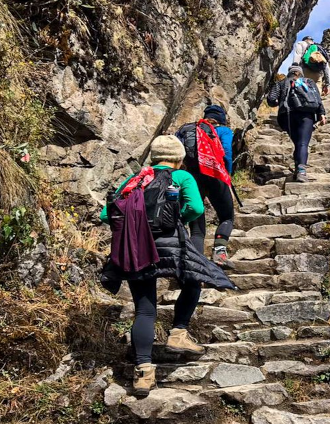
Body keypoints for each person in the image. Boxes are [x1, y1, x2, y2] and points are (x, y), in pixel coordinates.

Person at [100, 135, 235, 396]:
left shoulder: (135, 179)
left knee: (145, 311)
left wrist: (135, 225)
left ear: (153, 156)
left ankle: (144, 373)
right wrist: (174, 220)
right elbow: (196, 208)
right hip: (172, 246)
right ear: (179, 158)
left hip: (136, 248)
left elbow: (107, 214)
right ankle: (178, 331)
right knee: (194, 278)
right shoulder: (183, 177)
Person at [176, 105, 235, 267]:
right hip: (215, 175)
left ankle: (196, 263)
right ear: (221, 119)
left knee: (196, 225)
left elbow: (176, 153)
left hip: (192, 178)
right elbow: (227, 152)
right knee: (227, 216)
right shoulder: (223, 131)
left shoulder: (187, 129)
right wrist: (227, 174)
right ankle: (219, 252)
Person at [267, 65, 326, 183]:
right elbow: (317, 98)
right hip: (306, 115)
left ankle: (297, 170)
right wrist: (322, 113)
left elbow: (271, 100)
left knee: (298, 143)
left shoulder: (281, 83)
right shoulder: (308, 81)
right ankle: (301, 172)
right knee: (303, 143)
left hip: (287, 116)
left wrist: (280, 102)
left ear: (290, 73)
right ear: (300, 73)